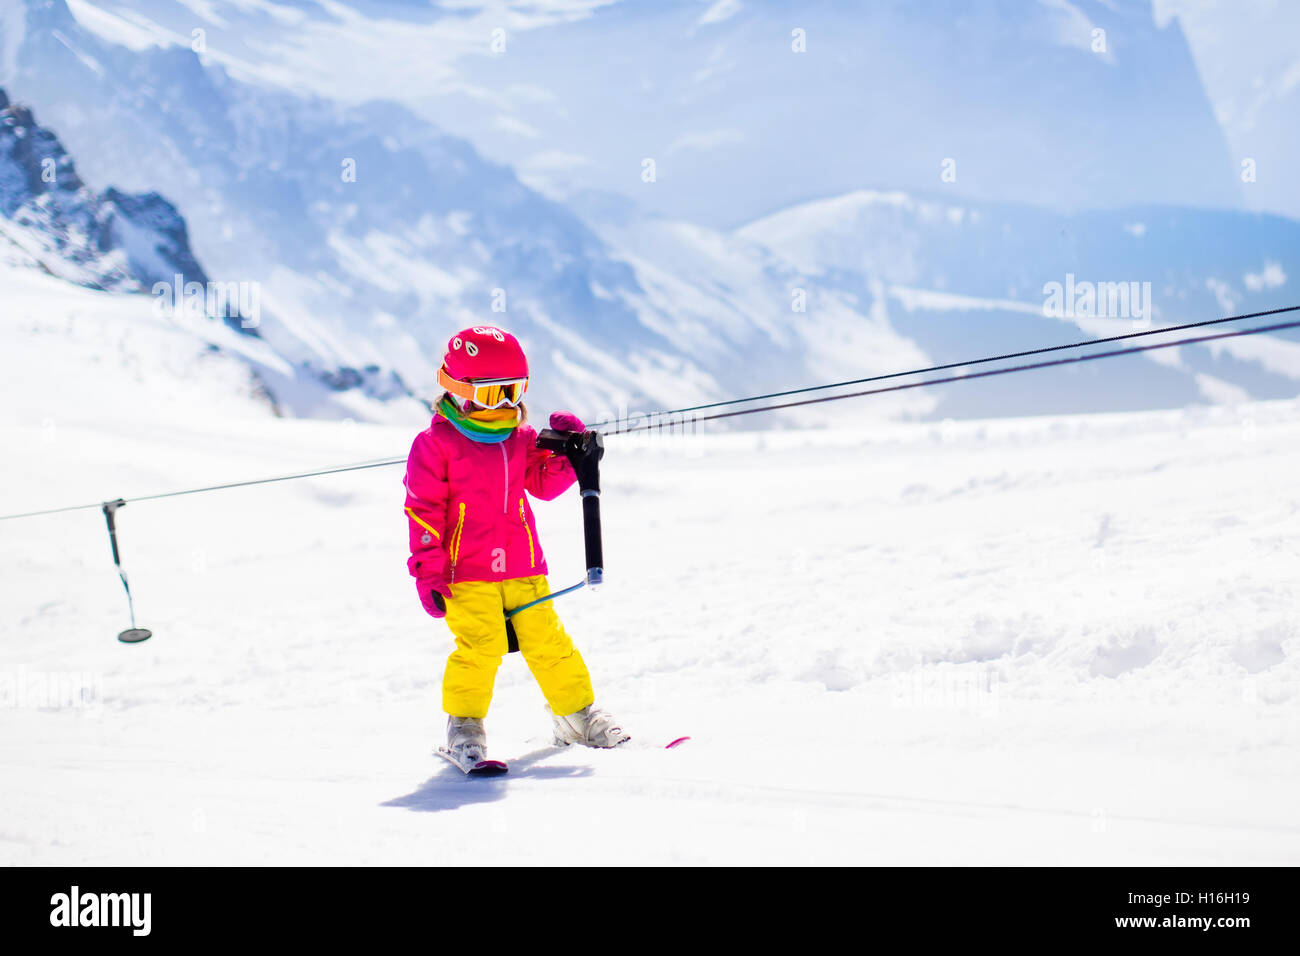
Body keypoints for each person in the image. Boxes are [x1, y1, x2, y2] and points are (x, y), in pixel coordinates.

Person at [404, 326, 629, 766]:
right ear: (458, 390)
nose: (506, 405)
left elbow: (542, 485)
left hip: (525, 568)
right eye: (493, 395)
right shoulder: (435, 446)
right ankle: (464, 724)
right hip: (464, 575)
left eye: (513, 391)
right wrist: (428, 570)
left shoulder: (519, 438)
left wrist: (570, 455)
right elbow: (422, 513)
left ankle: (574, 715)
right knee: (479, 648)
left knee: (549, 641)